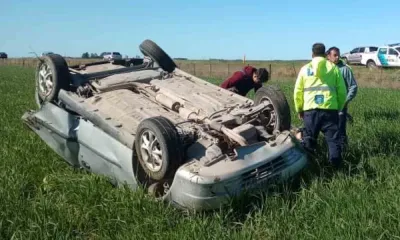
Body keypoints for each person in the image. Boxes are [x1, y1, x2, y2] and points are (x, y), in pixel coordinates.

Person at [293, 43, 347, 168]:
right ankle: (336, 169)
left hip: (310, 111)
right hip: (330, 110)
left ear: (312, 54)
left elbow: (298, 91)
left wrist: (299, 109)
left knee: (309, 140)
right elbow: (342, 91)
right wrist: (338, 107)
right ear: (325, 54)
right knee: (333, 141)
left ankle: (310, 168)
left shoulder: (305, 69)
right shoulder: (334, 68)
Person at [326, 46, 358, 147]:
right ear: (328, 56)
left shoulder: (345, 69)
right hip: (327, 105)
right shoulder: (325, 70)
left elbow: (353, 86)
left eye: (338, 55)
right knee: (329, 131)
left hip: (340, 106)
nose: (337, 57)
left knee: (341, 130)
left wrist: (345, 101)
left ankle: (344, 151)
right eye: (334, 55)